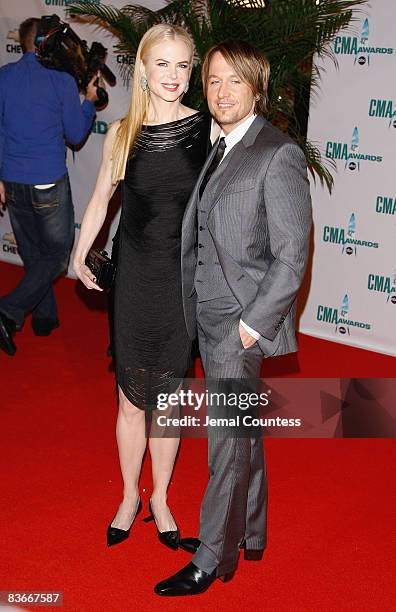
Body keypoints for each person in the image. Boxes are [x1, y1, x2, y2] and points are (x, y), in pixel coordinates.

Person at [154, 39, 312, 596]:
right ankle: (252, 531)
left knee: (225, 441)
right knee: (243, 432)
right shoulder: (216, 144)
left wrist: (252, 325)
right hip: (207, 314)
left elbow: (293, 253)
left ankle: (211, 559)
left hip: (238, 323)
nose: (221, 92)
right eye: (214, 80)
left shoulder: (277, 153)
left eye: (234, 82)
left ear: (256, 88)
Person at [73, 24, 213, 550]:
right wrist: (79, 250)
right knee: (132, 400)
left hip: (181, 280)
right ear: (144, 71)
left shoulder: (205, 130)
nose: (174, 76)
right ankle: (130, 495)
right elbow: (99, 200)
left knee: (170, 399)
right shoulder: (123, 132)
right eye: (163, 64)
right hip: (134, 278)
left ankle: (161, 496)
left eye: (183, 66)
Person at [0, 18, 99, 355]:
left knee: (33, 255)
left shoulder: (4, 76)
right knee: (56, 259)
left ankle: (44, 319)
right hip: (47, 182)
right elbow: (75, 135)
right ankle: (8, 310)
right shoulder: (60, 79)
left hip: (13, 181)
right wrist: (88, 102)